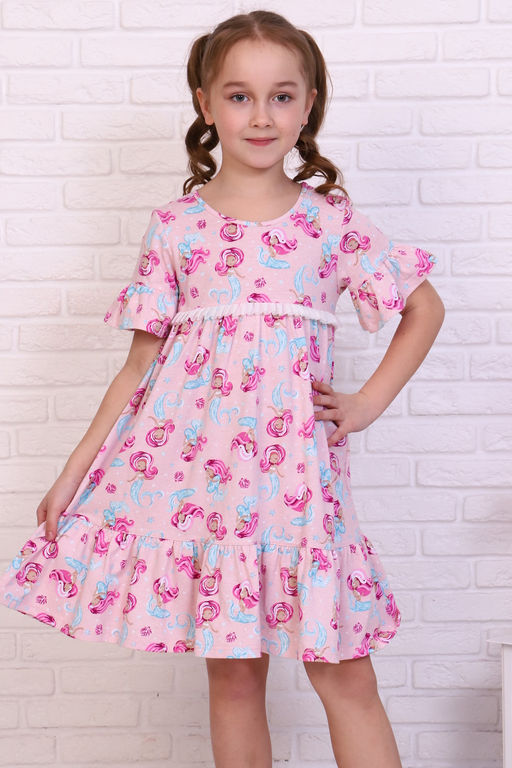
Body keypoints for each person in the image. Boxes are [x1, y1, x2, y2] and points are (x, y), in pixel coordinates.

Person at [0, 10, 445, 768]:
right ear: (207, 105)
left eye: (281, 96)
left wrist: (368, 402)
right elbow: (139, 368)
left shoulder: (329, 224)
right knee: (235, 679)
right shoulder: (177, 227)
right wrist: (74, 472)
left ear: (309, 105)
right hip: (201, 490)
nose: (261, 116)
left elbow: (423, 308)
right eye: (240, 96)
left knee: (345, 674)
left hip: (300, 491)